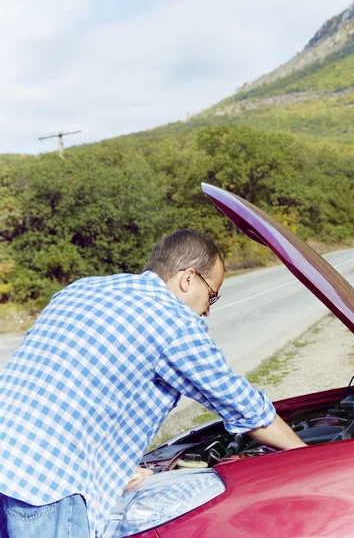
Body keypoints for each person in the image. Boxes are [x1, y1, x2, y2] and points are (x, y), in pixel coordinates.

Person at [0, 229, 305, 538]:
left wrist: (110, 470)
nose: (208, 310)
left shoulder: (83, 289)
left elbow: (63, 385)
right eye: (211, 295)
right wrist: (305, 456)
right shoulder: (174, 321)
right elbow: (242, 406)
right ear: (188, 279)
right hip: (46, 486)